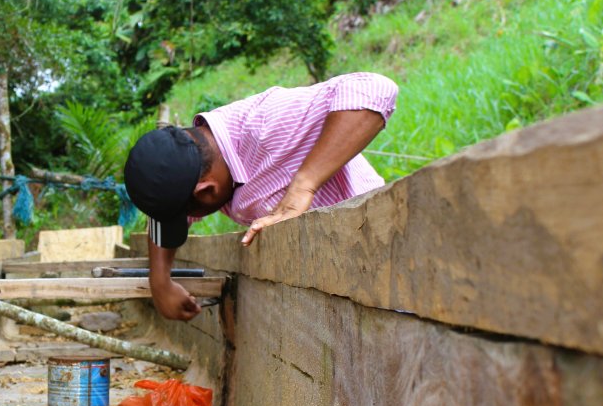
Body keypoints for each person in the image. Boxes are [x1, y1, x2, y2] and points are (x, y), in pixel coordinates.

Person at [123, 72, 398, 321]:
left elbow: (376, 87)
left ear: (206, 191)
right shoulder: (196, 163)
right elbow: (164, 215)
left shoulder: (265, 122)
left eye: (186, 213)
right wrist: (160, 282)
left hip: (376, 252)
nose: (189, 218)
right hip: (330, 275)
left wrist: (303, 187)